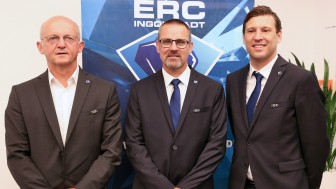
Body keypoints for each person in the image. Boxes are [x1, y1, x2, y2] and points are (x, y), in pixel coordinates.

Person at [5, 16, 123, 189]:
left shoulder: (104, 91)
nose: (61, 44)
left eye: (68, 38)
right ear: (40, 47)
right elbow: (16, 154)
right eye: (52, 38)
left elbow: (112, 151)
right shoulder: (21, 95)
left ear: (80, 46)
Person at [226, 5, 330, 189]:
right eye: (251, 31)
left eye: (266, 30)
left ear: (279, 35)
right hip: (241, 184)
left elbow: (316, 145)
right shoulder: (234, 81)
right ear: (243, 38)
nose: (258, 37)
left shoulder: (301, 79)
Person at [125, 19, 227, 189]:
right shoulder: (139, 91)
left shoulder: (212, 90)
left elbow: (216, 145)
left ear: (190, 46)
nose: (173, 48)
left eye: (180, 42)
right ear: (157, 46)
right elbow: (134, 145)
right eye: (166, 42)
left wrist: (185, 186)